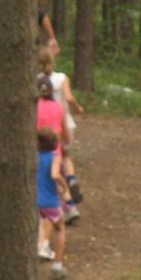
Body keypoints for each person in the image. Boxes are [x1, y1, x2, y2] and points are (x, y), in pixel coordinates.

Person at [37, 46, 84, 226]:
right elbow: (69, 98)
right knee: (65, 158)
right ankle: (71, 180)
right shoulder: (62, 78)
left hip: (42, 130)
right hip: (61, 124)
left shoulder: (36, 80)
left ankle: (65, 206)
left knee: (48, 170)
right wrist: (77, 107)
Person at [36, 127, 69, 280]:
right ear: (55, 143)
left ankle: (41, 248)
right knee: (60, 228)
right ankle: (57, 266)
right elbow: (55, 175)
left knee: (42, 226)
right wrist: (64, 185)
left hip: (36, 202)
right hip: (50, 201)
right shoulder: (55, 157)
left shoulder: (35, 157)